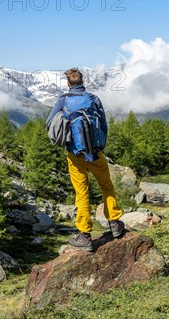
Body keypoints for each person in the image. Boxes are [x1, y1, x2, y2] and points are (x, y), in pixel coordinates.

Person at [46, 68, 125, 251]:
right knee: (106, 186)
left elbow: (50, 123)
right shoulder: (94, 99)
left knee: (82, 193)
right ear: (83, 82)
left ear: (68, 83)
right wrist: (99, 146)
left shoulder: (63, 100)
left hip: (75, 155)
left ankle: (85, 236)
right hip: (96, 153)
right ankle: (114, 223)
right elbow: (104, 125)